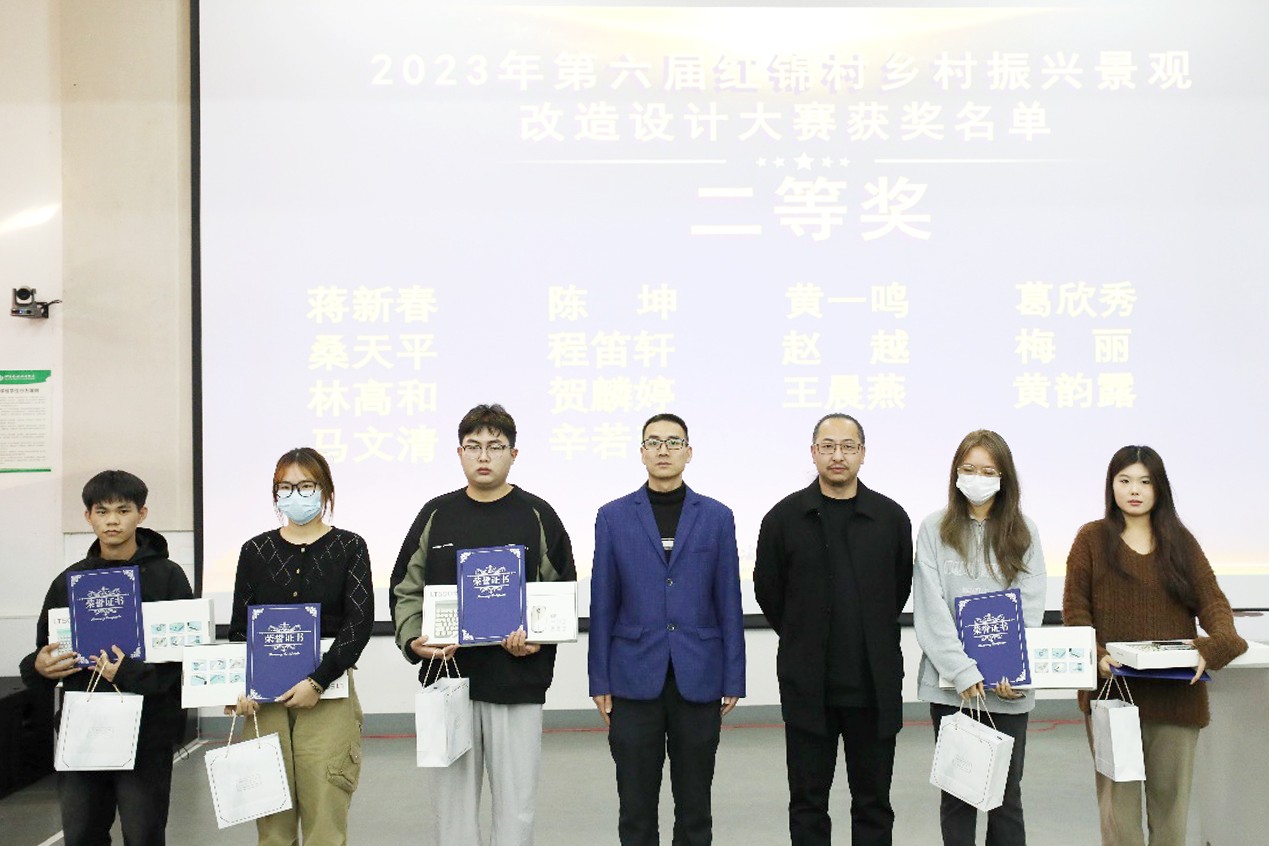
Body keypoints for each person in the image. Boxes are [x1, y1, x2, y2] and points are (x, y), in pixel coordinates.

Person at [390, 403, 576, 846]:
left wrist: (537, 638)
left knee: (516, 809)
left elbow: (560, 591)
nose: (484, 455)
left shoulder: (537, 514)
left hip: (517, 682)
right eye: (473, 446)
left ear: (514, 454)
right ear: (460, 453)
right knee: (451, 812)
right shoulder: (436, 514)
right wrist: (414, 641)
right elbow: (405, 588)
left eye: (496, 446)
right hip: (447, 681)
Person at [1063, 445, 1246, 846]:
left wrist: (1216, 645)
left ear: (1159, 487)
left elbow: (1213, 603)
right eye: (1125, 480)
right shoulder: (1091, 539)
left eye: (1145, 481)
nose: (1135, 490)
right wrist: (1097, 657)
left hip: (1177, 699)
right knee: (1120, 822)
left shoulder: (1180, 541)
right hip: (1113, 698)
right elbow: (1076, 613)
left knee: (1171, 820)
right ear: (1111, 485)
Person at [754, 413, 913, 846]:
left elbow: (898, 589)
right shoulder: (783, 518)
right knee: (808, 804)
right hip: (809, 688)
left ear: (863, 453)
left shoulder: (890, 518)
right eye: (827, 446)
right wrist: (803, 636)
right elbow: (769, 592)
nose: (837, 455)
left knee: (873, 804)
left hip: (873, 688)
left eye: (848, 446)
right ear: (813, 453)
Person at [588, 413, 746, 846]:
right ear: (642, 453)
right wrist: (599, 680)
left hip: (699, 674)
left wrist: (733, 677)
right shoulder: (613, 516)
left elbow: (728, 601)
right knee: (635, 807)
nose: (663, 450)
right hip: (632, 676)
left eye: (673, 442)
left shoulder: (716, 516)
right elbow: (603, 603)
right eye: (654, 442)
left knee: (695, 807)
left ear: (688, 453)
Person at [19, 470, 193, 846]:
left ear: (142, 514)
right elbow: (45, 651)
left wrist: (130, 673)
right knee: (82, 834)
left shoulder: (168, 577)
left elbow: (185, 658)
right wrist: (39, 666)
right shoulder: (69, 581)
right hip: (83, 731)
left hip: (147, 734)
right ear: (88, 516)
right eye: (102, 511)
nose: (112, 520)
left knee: (143, 834)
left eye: (123, 510)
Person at [227, 447, 373, 846]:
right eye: (286, 487)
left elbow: (358, 623)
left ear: (325, 491)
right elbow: (240, 629)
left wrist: (318, 680)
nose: (296, 495)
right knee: (272, 824)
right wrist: (240, 688)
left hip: (328, 694)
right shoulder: (254, 551)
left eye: (306, 485)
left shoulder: (350, 546)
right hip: (265, 703)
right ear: (276, 494)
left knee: (326, 816)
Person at [913, 430, 1046, 846]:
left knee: (1006, 797)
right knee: (958, 795)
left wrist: (1010, 671)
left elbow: (1029, 608)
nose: (977, 478)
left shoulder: (1024, 531)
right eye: (969, 469)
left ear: (1004, 477)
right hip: (953, 688)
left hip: (1008, 688)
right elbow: (930, 608)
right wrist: (963, 670)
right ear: (956, 474)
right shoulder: (934, 528)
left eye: (988, 471)